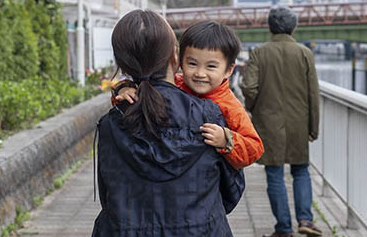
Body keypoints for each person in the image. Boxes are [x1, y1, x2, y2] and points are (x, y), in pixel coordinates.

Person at [67, 10, 254, 237]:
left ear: (123, 63)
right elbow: (230, 193)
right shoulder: (208, 117)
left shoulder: (114, 123)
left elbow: (109, 197)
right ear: (175, 56)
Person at [112, 20, 264, 169]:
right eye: (192, 63)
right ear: (179, 61)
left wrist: (228, 140)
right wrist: (124, 89)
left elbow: (255, 148)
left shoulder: (230, 106)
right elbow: (143, 90)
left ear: (229, 70)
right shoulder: (173, 84)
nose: (200, 73)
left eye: (211, 66)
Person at [240, 6, 322, 237]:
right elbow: (313, 94)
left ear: (270, 26)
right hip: (299, 122)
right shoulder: (305, 53)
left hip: (269, 121)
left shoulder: (259, 54)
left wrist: (254, 108)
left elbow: (249, 87)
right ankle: (305, 220)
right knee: (300, 170)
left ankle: (284, 229)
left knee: (274, 173)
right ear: (294, 27)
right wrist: (313, 128)